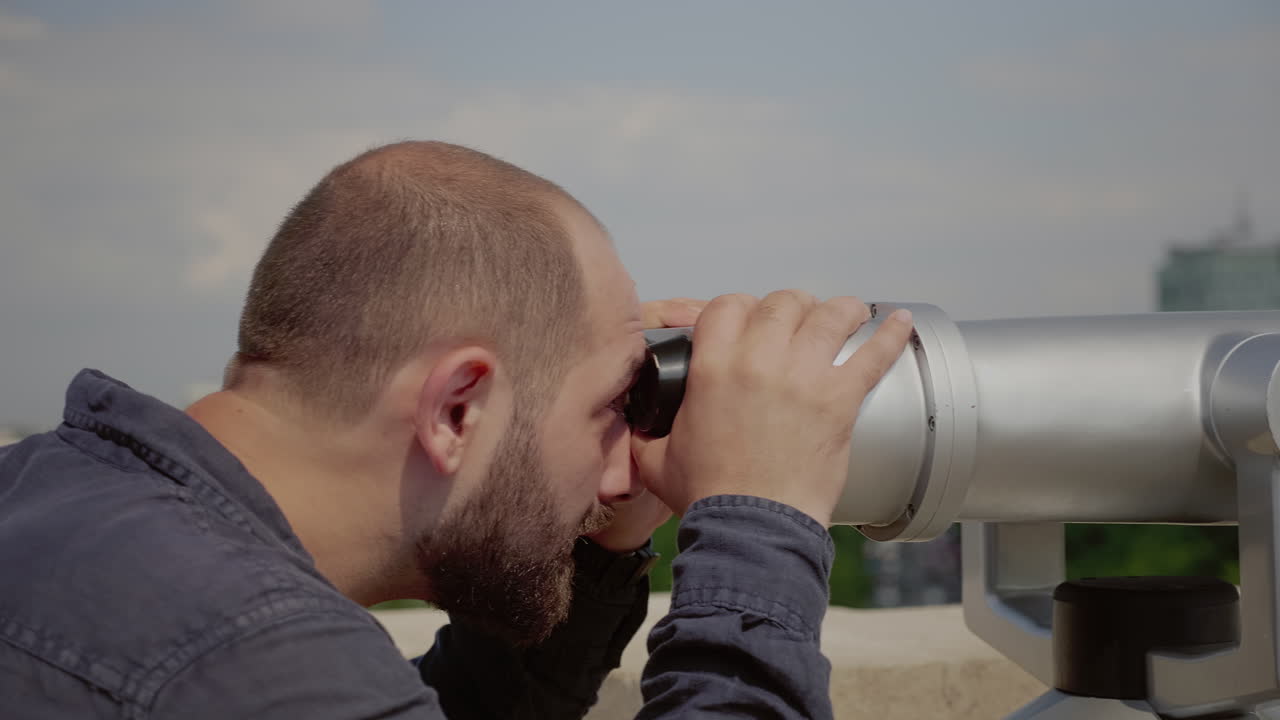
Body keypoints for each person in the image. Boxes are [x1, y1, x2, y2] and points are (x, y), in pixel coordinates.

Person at [0, 141, 914, 718]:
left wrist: (604, 543)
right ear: (456, 410)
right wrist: (758, 517)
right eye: (609, 409)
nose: (619, 471)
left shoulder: (54, 498)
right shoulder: (253, 664)